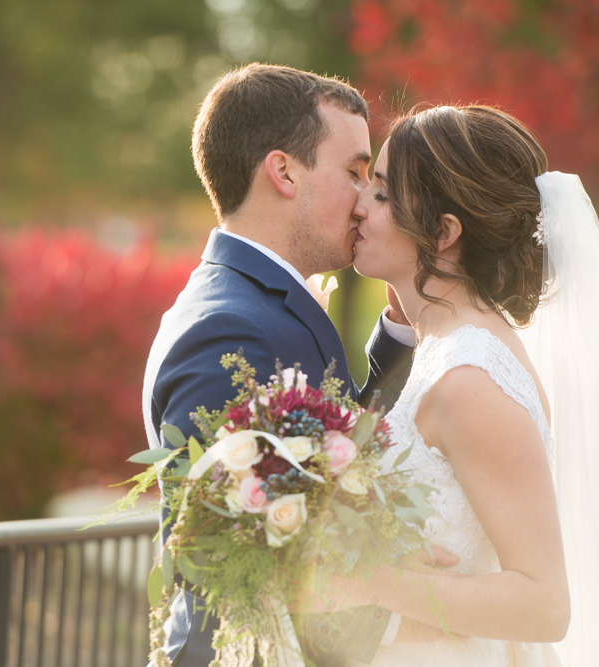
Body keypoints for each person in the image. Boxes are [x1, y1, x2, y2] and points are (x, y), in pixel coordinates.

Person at [307, 104, 599, 667]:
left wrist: (370, 581)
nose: (357, 205)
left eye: (380, 194)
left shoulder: (468, 381)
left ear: (443, 232)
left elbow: (542, 604)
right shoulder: (443, 351)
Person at [141, 64, 454, 666]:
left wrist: (397, 337)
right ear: (283, 171)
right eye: (356, 172)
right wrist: (416, 622)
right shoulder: (226, 329)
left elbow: (333, 455)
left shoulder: (261, 303)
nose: (368, 198)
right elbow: (243, 550)